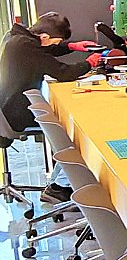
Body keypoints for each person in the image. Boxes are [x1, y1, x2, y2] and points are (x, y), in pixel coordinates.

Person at [0, 12, 101, 203]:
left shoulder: (17, 37)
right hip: (14, 116)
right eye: (56, 42)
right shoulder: (26, 46)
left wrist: (72, 46)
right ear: (45, 37)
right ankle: (59, 187)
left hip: (7, 108)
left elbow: (44, 50)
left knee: (68, 131)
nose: (55, 45)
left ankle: (58, 183)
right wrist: (90, 62)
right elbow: (64, 73)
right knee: (75, 132)